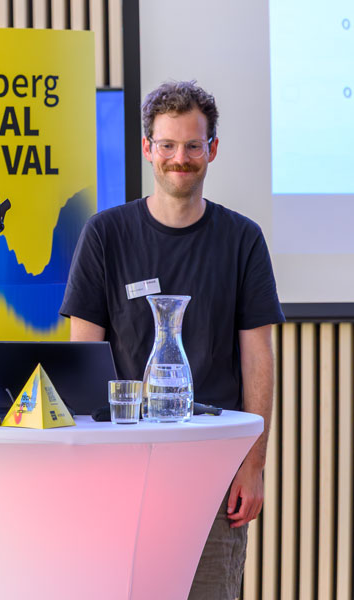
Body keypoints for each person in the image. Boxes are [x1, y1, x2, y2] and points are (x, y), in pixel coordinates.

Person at [59, 80, 284, 600]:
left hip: (212, 469)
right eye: (167, 145)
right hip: (119, 469)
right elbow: (82, 355)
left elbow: (258, 359)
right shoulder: (105, 234)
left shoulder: (242, 239)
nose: (179, 158)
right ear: (147, 149)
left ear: (212, 150)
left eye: (191, 145)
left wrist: (253, 466)